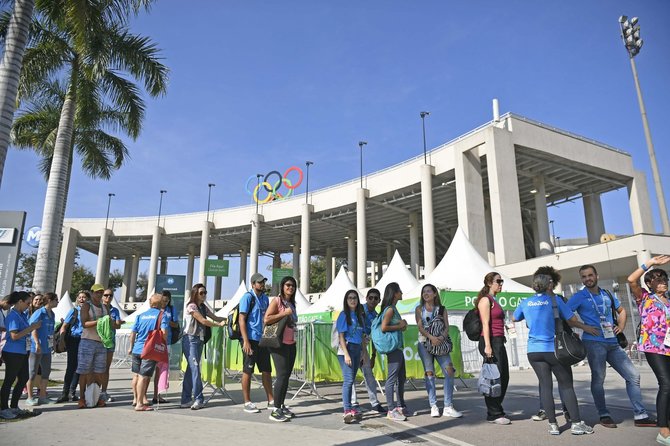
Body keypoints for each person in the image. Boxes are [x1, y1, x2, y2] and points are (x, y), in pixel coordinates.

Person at [568, 264, 656, 428]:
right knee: (599, 378)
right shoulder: (579, 296)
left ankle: (641, 415)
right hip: (593, 343)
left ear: (597, 276)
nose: (587, 279)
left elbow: (622, 311)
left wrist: (620, 328)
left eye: (590, 275)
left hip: (613, 343)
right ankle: (604, 414)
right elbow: (566, 315)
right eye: (584, 276)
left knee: (633, 376)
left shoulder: (607, 294)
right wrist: (583, 327)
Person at [513, 272, 594, 435]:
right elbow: (571, 319)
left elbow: (515, 318)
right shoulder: (555, 300)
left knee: (545, 386)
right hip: (554, 350)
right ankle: (577, 424)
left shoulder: (525, 302)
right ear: (549, 285)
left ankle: (553, 425)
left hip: (534, 351)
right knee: (566, 386)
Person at [627, 255, 670, 445]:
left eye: (665, 279)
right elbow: (631, 280)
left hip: (669, 347)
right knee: (666, 384)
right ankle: (663, 430)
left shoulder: (669, 301)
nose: (663, 282)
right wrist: (650, 263)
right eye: (658, 280)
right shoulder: (644, 297)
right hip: (654, 347)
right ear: (650, 284)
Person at [415, 283, 462, 419]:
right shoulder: (419, 309)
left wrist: (440, 337)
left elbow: (446, 327)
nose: (426, 293)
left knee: (449, 371)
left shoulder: (442, 309)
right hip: (425, 344)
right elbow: (420, 327)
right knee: (429, 374)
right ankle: (433, 405)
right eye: (424, 291)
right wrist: (431, 337)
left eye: (429, 291)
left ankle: (448, 406)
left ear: (435, 294)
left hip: (440, 344)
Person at [531, 266, 571, 422]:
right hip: (542, 346)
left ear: (552, 282)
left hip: (560, 345)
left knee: (564, 379)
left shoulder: (560, 299)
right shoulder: (534, 301)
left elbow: (569, 320)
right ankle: (544, 409)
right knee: (544, 381)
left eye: (548, 279)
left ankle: (568, 409)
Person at [180, 283, 226, 410]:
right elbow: (203, 321)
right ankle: (199, 399)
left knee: (190, 370)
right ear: (195, 293)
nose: (204, 295)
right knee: (195, 369)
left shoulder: (203, 306)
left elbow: (215, 317)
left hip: (199, 340)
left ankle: (185, 399)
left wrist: (227, 319)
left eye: (205, 292)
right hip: (190, 339)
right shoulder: (192, 306)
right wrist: (219, 325)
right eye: (201, 293)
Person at [0, 291, 41, 420]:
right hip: (12, 352)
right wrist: (32, 328)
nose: (29, 305)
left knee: (24, 378)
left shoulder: (22, 315)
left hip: (23, 351)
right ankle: (3, 408)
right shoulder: (12, 316)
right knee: (9, 380)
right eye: (28, 303)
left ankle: (14, 406)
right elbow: (14, 336)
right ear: (20, 302)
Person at [264, 276, 298, 422]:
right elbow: (267, 319)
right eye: (288, 285)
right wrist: (284, 313)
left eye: (293, 286)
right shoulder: (277, 301)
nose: (290, 288)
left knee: (286, 376)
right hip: (278, 343)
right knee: (282, 375)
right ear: (282, 286)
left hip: (291, 343)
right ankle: (275, 409)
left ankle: (281, 405)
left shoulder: (292, 303)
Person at [477, 271, 510, 425]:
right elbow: (485, 324)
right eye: (498, 281)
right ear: (490, 283)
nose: (501, 284)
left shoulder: (495, 300)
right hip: (490, 341)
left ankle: (495, 409)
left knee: (504, 377)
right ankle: (494, 413)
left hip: (498, 341)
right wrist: (488, 346)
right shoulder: (485, 300)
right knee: (493, 378)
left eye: (501, 281)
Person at [128, 293, 169, 412]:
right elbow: (164, 332)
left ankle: (136, 399)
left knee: (136, 375)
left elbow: (132, 334)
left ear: (150, 303)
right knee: (144, 377)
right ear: (161, 304)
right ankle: (140, 403)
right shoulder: (162, 315)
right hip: (149, 350)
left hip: (137, 349)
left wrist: (131, 347)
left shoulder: (140, 315)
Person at [239, 273, 274, 413]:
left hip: (263, 340)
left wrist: (270, 338)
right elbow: (242, 319)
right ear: (253, 284)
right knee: (248, 370)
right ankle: (247, 402)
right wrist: (246, 341)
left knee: (267, 370)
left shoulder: (265, 299)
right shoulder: (247, 297)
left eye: (263, 282)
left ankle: (271, 400)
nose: (262, 284)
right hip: (251, 339)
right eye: (259, 282)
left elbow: (268, 319)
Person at [351, 288, 385, 414]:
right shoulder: (358, 309)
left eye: (376, 298)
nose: (373, 300)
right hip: (353, 345)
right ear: (366, 298)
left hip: (364, 347)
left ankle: (375, 403)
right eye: (370, 297)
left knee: (369, 375)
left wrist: (373, 356)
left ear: (379, 300)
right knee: (351, 376)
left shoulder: (376, 316)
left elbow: (376, 336)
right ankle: (353, 403)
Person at [76, 283, 110, 409]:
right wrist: (100, 321)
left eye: (101, 292)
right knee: (84, 371)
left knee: (99, 371)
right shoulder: (86, 306)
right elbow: (84, 323)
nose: (100, 294)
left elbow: (109, 323)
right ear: (91, 293)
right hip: (87, 341)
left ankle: (95, 397)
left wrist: (115, 323)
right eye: (97, 292)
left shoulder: (104, 307)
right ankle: (82, 398)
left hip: (101, 342)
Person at [336, 289, 365, 424]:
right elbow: (341, 336)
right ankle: (347, 410)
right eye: (350, 298)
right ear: (346, 301)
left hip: (357, 349)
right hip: (346, 349)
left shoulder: (360, 316)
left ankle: (353, 408)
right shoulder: (344, 315)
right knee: (348, 381)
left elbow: (363, 336)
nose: (352, 300)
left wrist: (363, 353)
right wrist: (346, 354)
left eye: (354, 298)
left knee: (352, 380)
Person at [381, 282, 409, 422]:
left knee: (401, 377)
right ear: (395, 293)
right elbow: (384, 327)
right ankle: (391, 409)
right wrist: (400, 325)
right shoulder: (390, 309)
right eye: (400, 291)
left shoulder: (393, 309)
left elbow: (396, 327)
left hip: (397, 347)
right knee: (392, 378)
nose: (402, 293)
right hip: (393, 348)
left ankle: (399, 405)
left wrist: (402, 326)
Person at [26, 292, 58, 406]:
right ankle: (30, 397)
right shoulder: (39, 313)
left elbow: (52, 330)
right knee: (32, 372)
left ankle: (43, 396)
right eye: (56, 300)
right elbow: (33, 328)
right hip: (37, 348)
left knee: (46, 372)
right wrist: (36, 343)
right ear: (49, 300)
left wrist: (53, 343)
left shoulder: (52, 314)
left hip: (47, 348)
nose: (57, 302)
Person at [56, 290, 87, 403]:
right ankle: (64, 392)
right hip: (74, 340)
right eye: (80, 297)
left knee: (79, 368)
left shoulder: (90, 311)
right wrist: (62, 340)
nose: (82, 299)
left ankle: (72, 393)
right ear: (77, 299)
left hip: (85, 341)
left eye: (84, 297)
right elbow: (64, 326)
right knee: (71, 367)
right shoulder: (74, 311)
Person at [152, 290, 179, 404]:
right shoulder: (155, 310)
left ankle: (157, 395)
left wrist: (165, 321)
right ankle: (142, 396)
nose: (165, 303)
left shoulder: (171, 309)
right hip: (154, 342)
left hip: (166, 343)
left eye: (167, 301)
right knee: (149, 370)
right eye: (163, 300)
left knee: (161, 370)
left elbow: (176, 324)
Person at [101, 288, 122, 403]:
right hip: (98, 341)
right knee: (94, 367)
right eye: (106, 295)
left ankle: (103, 392)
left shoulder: (115, 310)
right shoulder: (97, 308)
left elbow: (118, 325)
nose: (108, 298)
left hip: (110, 342)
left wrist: (110, 321)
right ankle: (91, 391)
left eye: (110, 296)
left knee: (106, 368)